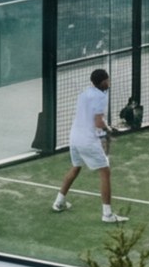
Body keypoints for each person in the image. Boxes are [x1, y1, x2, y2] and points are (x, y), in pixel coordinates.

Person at [51, 65, 124, 221]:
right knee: (105, 172)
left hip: (74, 138)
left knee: (76, 167)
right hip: (87, 140)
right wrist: (108, 129)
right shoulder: (101, 97)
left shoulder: (84, 94)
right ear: (103, 82)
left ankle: (59, 202)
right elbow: (98, 122)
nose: (109, 82)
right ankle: (107, 214)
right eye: (107, 80)